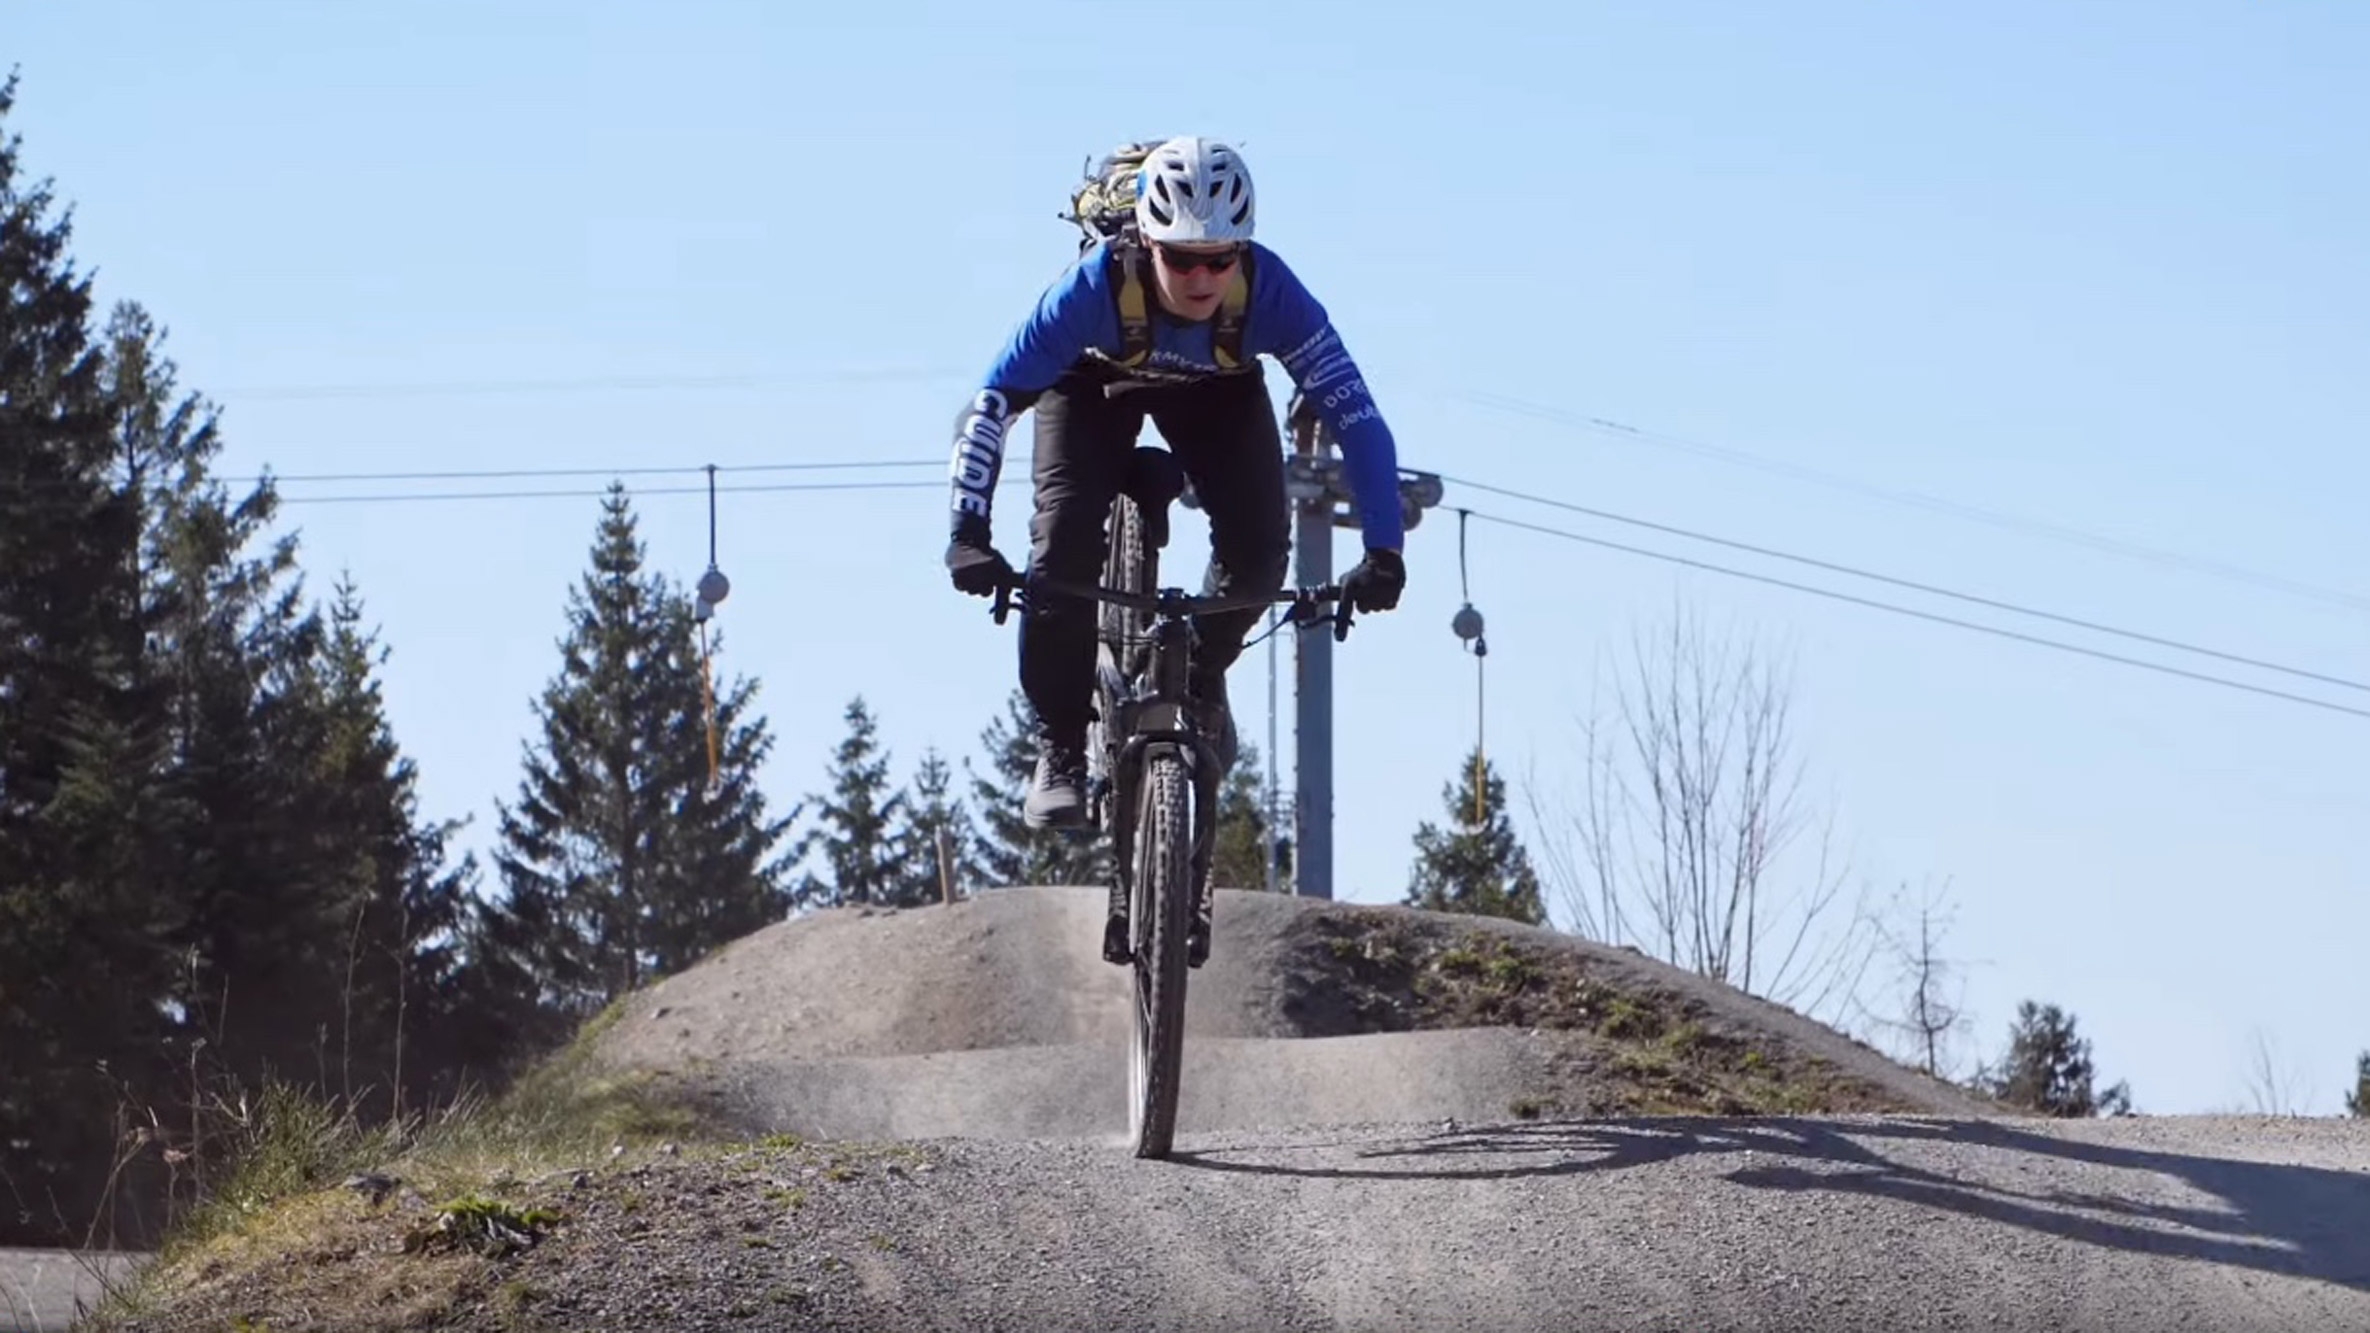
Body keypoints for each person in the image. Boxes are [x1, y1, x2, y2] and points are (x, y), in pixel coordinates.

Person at [942, 135, 1408, 830]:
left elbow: (1359, 420)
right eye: (1182, 259)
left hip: (1216, 390)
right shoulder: (1092, 287)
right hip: (1093, 383)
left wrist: (1384, 549)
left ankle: (1199, 678)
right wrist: (967, 531)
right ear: (1147, 242)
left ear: (1241, 250)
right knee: (1061, 546)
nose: (1201, 278)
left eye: (1220, 259)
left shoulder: (1272, 292)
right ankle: (1062, 747)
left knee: (1259, 553)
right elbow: (992, 403)